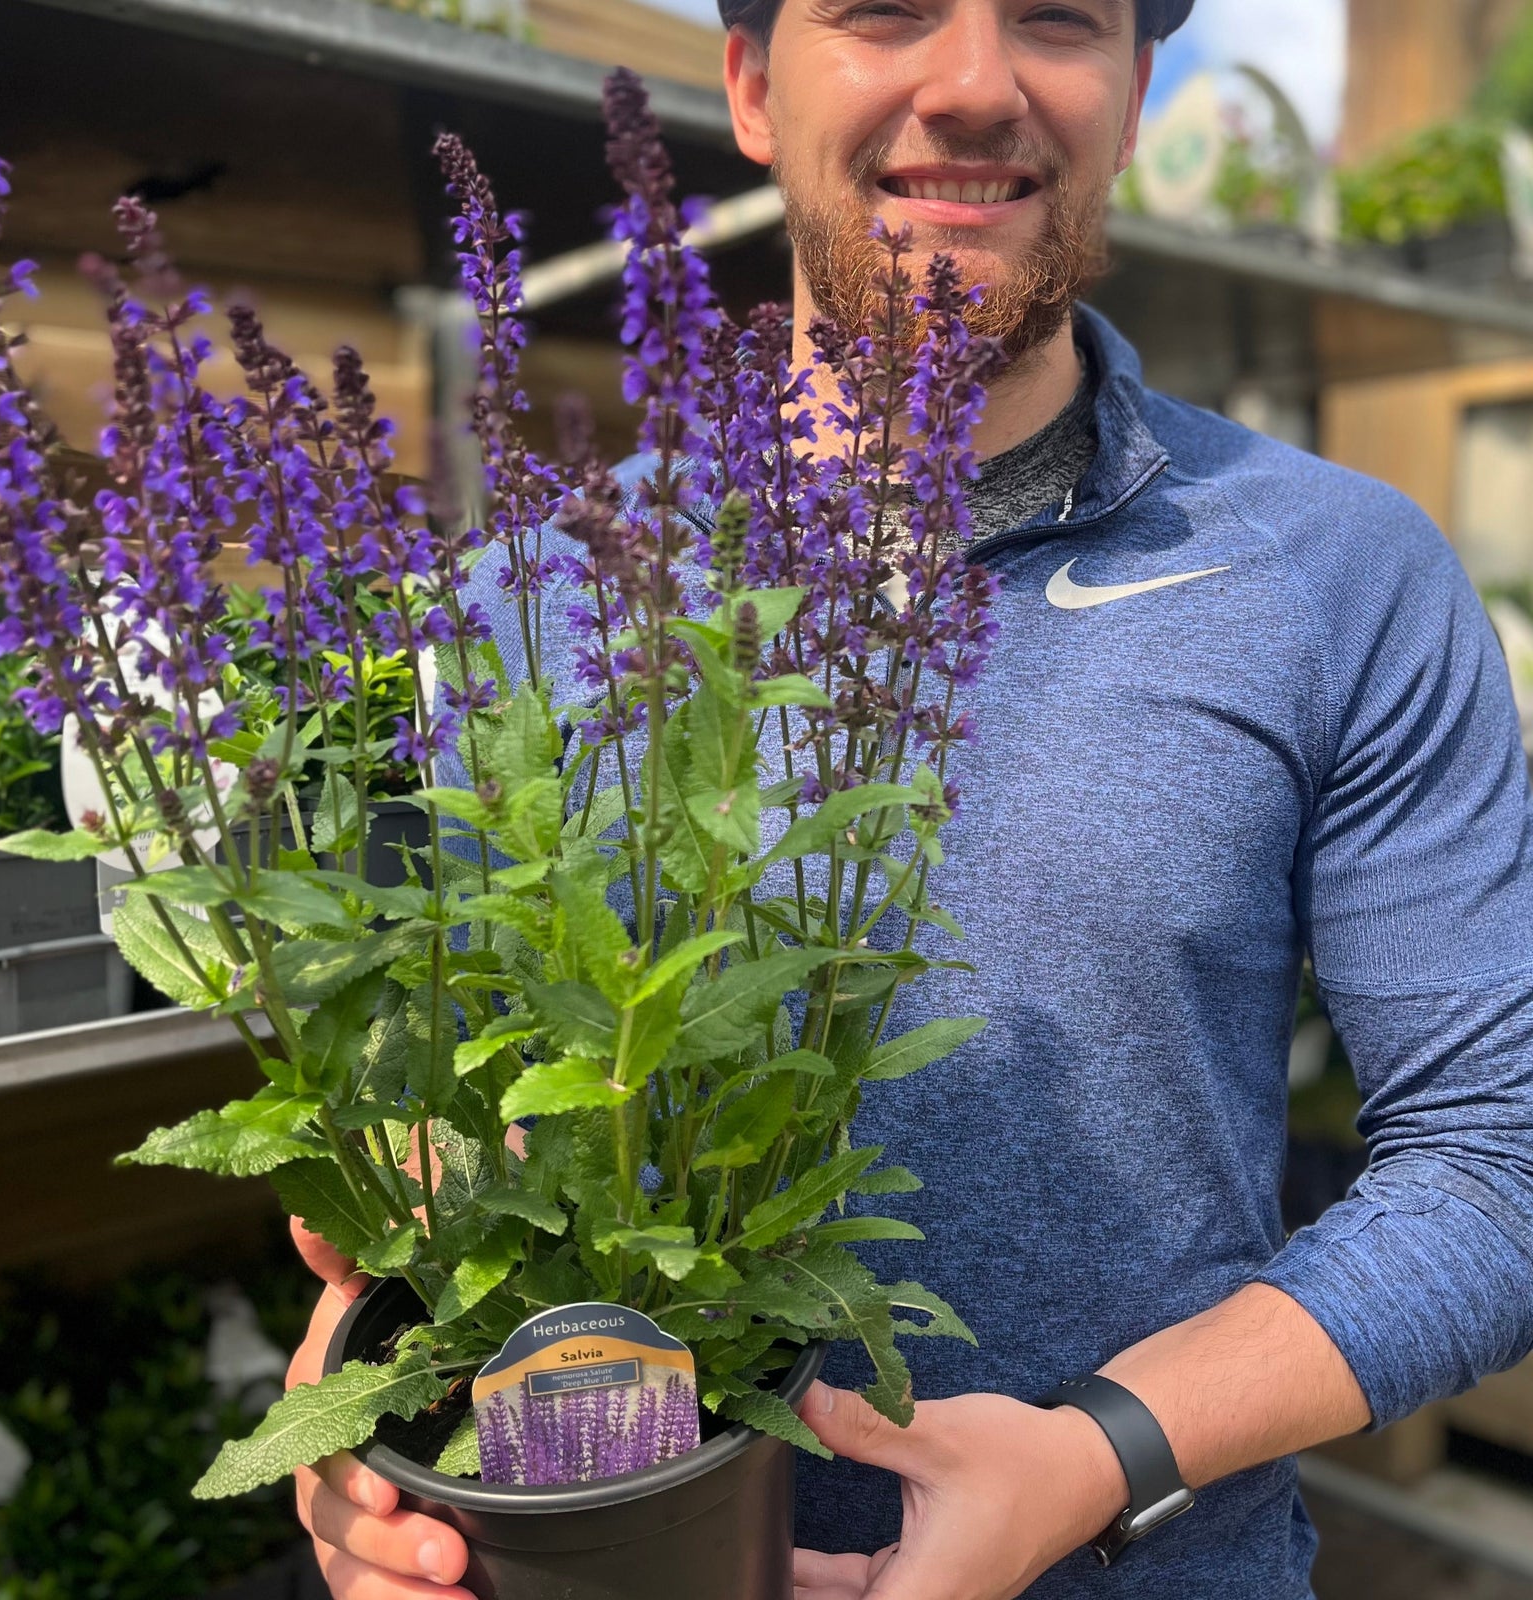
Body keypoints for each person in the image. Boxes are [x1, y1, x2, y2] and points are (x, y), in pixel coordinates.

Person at [287, 0, 1533, 1595]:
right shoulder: (527, 601)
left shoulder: (1340, 575)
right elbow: (468, 1150)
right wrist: (379, 1430)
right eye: (885, 9)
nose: (973, 85)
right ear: (749, 81)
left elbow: (1495, 1166)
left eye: (1057, 18)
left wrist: (1097, 1455)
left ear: (1139, 90)